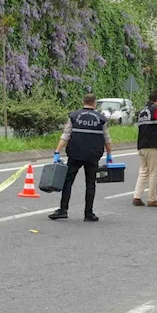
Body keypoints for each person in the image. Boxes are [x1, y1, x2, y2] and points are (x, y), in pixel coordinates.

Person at [49, 93, 113, 222]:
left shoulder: (74, 116)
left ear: (83, 102)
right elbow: (107, 138)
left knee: (68, 182)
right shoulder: (101, 119)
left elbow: (66, 135)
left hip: (75, 154)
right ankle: (88, 213)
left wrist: (57, 152)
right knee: (90, 184)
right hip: (93, 156)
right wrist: (109, 154)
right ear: (94, 103)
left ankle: (63, 210)